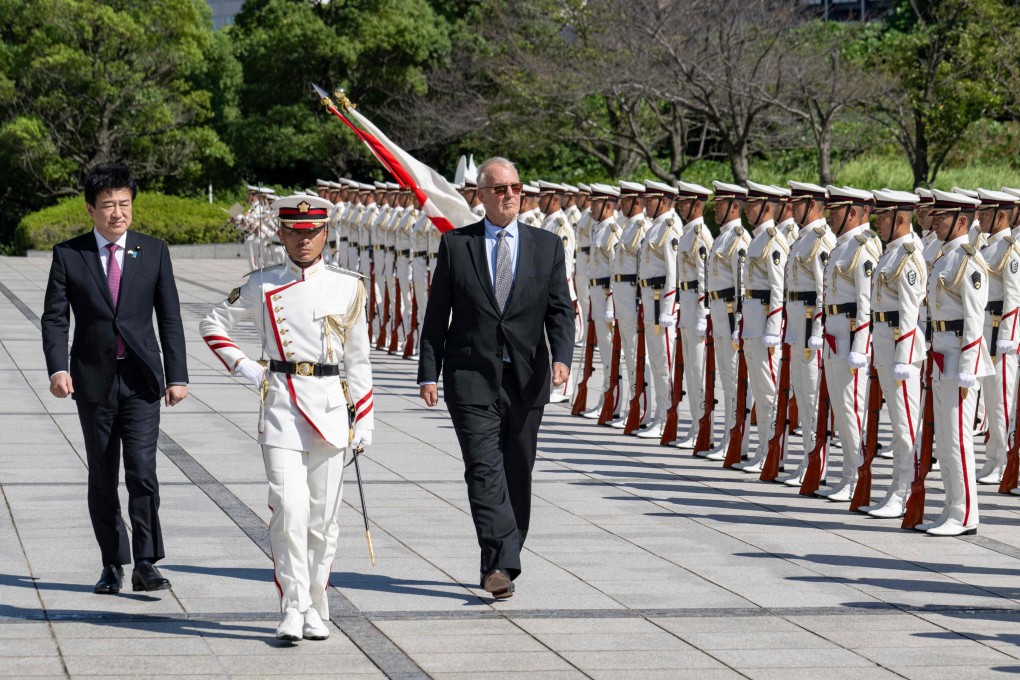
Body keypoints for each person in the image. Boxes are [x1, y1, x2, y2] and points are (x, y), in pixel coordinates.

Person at [200, 194, 374, 640]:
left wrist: (365, 420)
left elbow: (359, 360)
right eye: (295, 232)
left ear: (326, 234)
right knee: (288, 510)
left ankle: (317, 602)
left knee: (322, 518)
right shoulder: (262, 284)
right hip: (281, 405)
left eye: (312, 232)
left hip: (333, 409)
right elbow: (212, 324)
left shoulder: (348, 285)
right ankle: (292, 606)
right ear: (281, 233)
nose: (304, 240)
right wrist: (245, 367)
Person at [417, 156, 574, 600]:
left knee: (517, 470)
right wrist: (429, 372)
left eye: (516, 187)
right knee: (483, 469)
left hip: (526, 377)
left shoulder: (547, 246)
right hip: (469, 376)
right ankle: (500, 565)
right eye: (500, 189)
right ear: (481, 196)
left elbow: (561, 310)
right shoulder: (457, 245)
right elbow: (437, 316)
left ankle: (502, 556)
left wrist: (562, 356)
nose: (510, 195)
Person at [41, 164, 189, 595]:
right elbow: (54, 319)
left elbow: (171, 317)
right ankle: (112, 563)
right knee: (103, 475)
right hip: (92, 380)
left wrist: (176, 375)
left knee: (143, 471)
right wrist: (58, 368)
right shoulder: (70, 254)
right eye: (108, 205)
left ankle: (146, 562)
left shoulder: (154, 251)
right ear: (91, 209)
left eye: (124, 204)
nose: (118, 213)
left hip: (142, 381)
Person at [864, 189, 925, 518]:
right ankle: (896, 489)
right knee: (896, 425)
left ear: (900, 219)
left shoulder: (908, 255)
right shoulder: (891, 253)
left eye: (883, 217)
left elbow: (910, 311)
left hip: (901, 351)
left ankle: (904, 492)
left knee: (904, 427)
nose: (878, 222)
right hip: (886, 346)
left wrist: (903, 356)